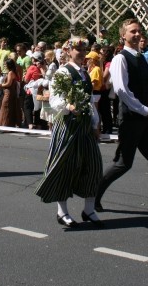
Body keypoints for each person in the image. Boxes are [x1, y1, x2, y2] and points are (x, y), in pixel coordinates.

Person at [95, 19, 148, 220]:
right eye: (133, 31)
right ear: (123, 35)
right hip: (132, 118)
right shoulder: (120, 59)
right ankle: (94, 195)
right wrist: (144, 110)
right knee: (123, 163)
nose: (137, 34)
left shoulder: (143, 59)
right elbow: (122, 91)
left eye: (139, 31)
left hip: (146, 119)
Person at [34, 37, 104, 228]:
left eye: (84, 49)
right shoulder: (62, 73)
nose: (81, 52)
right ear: (68, 51)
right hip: (67, 125)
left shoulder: (85, 74)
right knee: (64, 167)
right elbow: (55, 100)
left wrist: (95, 123)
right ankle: (62, 212)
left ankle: (89, 209)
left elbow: (90, 102)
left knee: (94, 166)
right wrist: (68, 106)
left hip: (84, 126)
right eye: (77, 49)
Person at [0, 58, 22, 128]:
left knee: (6, 108)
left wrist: (1, 85)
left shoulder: (10, 73)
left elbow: (9, 83)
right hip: (8, 93)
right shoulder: (11, 72)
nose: (4, 66)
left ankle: (5, 125)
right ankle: (5, 124)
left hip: (9, 93)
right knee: (7, 108)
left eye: (5, 64)